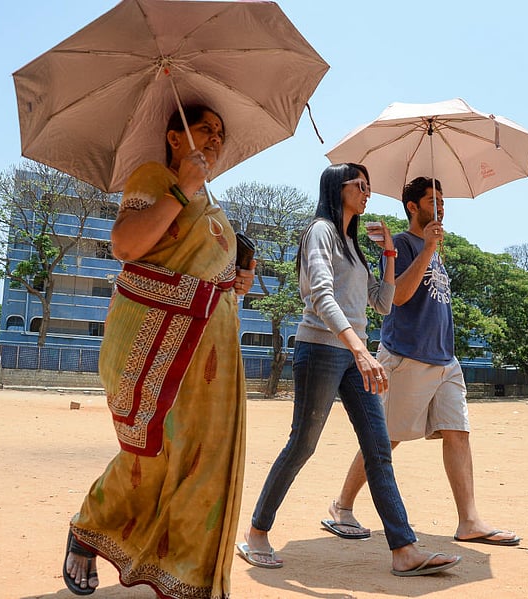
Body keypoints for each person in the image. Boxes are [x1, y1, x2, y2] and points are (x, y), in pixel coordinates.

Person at [62, 105, 257, 598]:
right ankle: (88, 527)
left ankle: (188, 578)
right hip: (162, 342)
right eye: (204, 129)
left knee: (206, 461)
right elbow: (126, 245)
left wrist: (235, 281)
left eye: (220, 132)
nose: (215, 138)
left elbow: (202, 270)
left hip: (213, 351)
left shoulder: (213, 208)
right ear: (174, 137)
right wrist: (181, 187)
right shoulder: (153, 177)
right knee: (153, 455)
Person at [239, 164, 461, 577]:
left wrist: (390, 256)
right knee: (303, 444)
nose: (368, 192)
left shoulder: (353, 243)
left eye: (369, 186)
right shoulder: (320, 232)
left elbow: (381, 302)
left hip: (355, 353)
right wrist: (360, 350)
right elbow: (321, 296)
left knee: (379, 451)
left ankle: (404, 550)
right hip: (322, 350)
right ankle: (256, 532)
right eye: (360, 185)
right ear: (336, 188)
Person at [327, 177, 520, 548]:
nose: (442, 207)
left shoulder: (436, 248)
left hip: (445, 359)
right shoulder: (399, 244)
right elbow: (397, 297)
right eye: (433, 200)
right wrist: (428, 249)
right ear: (413, 206)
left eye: (443, 201)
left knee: (458, 433)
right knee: (386, 438)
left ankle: (469, 521)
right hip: (406, 356)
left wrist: (433, 249)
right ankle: (342, 505)